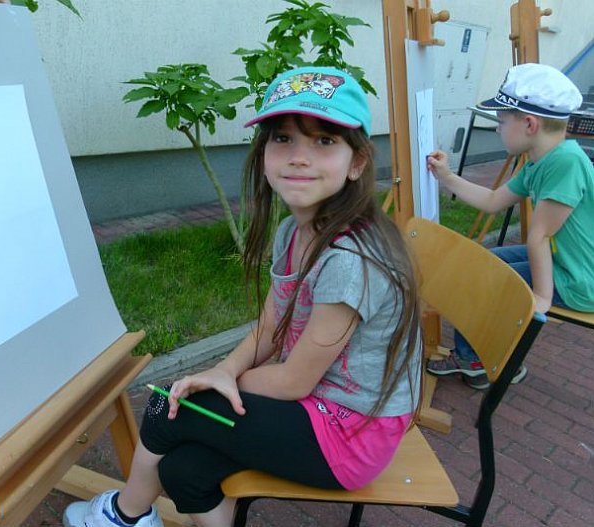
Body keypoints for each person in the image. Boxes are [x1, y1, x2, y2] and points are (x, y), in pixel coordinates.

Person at [63, 66, 423, 527]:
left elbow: (293, 382)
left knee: (165, 405)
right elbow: (271, 326)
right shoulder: (294, 231)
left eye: (324, 141)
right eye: (283, 138)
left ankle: (123, 516)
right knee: (183, 470)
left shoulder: (350, 260)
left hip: (351, 437)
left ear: (357, 162)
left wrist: (213, 385)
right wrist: (223, 371)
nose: (299, 157)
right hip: (319, 410)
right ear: (264, 152)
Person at [426, 63, 594, 389]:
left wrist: (540, 297)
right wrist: (446, 177)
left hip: (579, 279)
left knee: (483, 280)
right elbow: (493, 201)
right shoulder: (540, 162)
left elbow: (540, 235)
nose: (497, 129)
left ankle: (477, 361)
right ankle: (495, 354)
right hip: (565, 262)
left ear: (529, 124)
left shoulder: (566, 162)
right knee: (484, 263)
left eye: (501, 122)